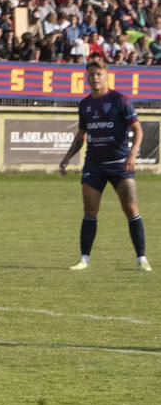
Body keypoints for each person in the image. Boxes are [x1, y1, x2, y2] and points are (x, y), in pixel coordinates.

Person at [60, 58, 149, 271]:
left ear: (106, 75)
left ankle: (142, 259)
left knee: (131, 208)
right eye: (91, 74)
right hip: (94, 165)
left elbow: (138, 130)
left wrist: (132, 155)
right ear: (87, 78)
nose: (95, 78)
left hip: (120, 164)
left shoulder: (121, 100)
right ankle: (84, 259)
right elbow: (81, 134)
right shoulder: (85, 104)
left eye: (99, 74)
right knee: (90, 210)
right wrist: (66, 157)